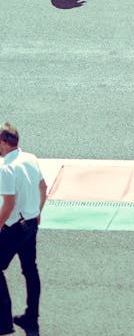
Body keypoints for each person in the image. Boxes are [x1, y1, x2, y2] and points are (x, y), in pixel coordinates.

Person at [0, 122, 47, 336]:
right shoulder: (31, 158)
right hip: (30, 224)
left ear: (3, 142)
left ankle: (3, 323)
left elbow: (8, 205)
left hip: (14, 228)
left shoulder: (6, 168)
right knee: (30, 270)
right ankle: (31, 317)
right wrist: (37, 211)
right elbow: (43, 188)